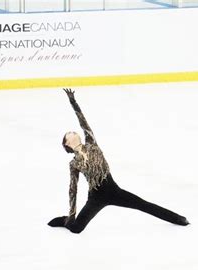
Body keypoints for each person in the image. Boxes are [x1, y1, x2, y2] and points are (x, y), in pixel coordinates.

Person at [48, 88, 190, 234]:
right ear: (67, 144)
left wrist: (74, 103)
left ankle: (178, 218)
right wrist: (71, 216)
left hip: (114, 190)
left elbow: (83, 122)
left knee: (143, 204)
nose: (73, 132)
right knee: (76, 229)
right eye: (69, 134)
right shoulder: (74, 164)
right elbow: (73, 189)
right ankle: (64, 221)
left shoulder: (91, 143)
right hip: (95, 197)